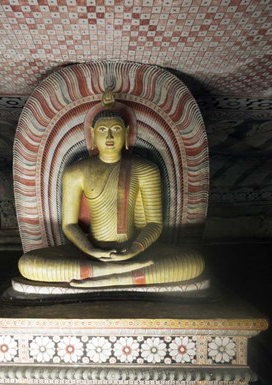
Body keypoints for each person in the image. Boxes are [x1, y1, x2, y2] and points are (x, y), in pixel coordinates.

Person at [18, 92, 205, 288]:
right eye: (102, 130)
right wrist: (90, 250)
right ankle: (113, 273)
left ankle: (111, 277)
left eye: (115, 129)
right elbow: (69, 225)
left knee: (193, 262)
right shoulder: (76, 173)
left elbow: (154, 223)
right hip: (90, 252)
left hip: (134, 251)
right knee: (28, 264)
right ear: (92, 134)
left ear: (126, 133)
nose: (108, 136)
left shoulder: (145, 169)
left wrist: (134, 249)